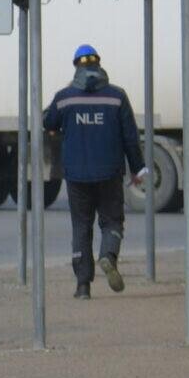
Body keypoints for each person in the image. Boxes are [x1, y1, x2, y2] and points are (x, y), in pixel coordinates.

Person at [42, 44, 146, 299]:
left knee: (81, 225)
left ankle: (83, 286)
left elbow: (47, 121)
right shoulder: (117, 96)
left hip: (77, 175)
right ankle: (108, 256)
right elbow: (130, 137)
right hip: (110, 172)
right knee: (111, 220)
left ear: (76, 66)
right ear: (99, 65)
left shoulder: (65, 97)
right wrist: (138, 169)